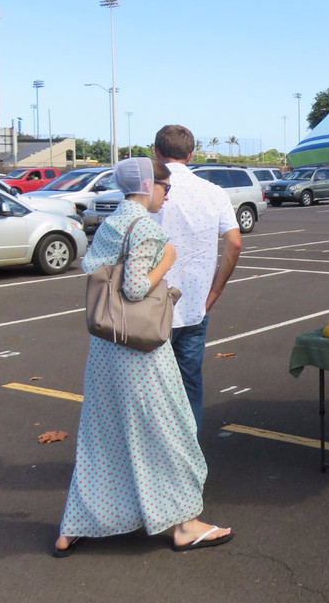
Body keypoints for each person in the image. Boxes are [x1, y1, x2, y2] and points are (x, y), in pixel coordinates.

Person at [54, 157, 233, 556]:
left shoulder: (113, 221)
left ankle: (76, 524)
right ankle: (184, 524)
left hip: (106, 346)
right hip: (140, 351)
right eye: (165, 188)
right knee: (170, 430)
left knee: (102, 437)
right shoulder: (147, 228)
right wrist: (167, 260)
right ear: (150, 185)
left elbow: (92, 267)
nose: (166, 196)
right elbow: (135, 288)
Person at [153, 125, 242, 432]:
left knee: (152, 387)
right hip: (195, 305)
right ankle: (190, 452)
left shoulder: (150, 191)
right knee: (189, 382)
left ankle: (156, 455)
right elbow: (234, 243)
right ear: (190, 155)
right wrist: (213, 294)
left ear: (156, 152)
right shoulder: (214, 192)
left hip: (152, 307)